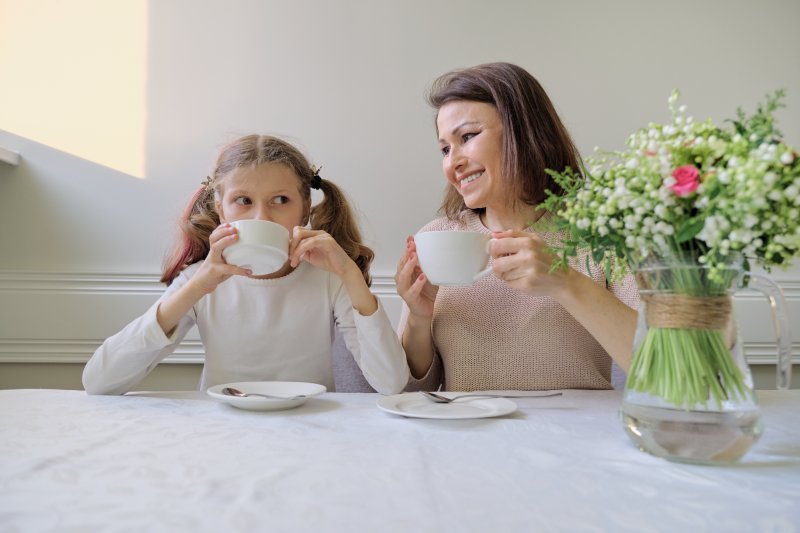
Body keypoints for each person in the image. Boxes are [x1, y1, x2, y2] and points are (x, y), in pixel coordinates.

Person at [84, 134, 409, 395]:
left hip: (310, 433)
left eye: (280, 200)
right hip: (224, 431)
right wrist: (196, 287)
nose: (261, 217)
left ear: (305, 207)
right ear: (221, 210)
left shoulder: (328, 279)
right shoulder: (201, 281)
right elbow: (99, 381)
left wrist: (349, 273)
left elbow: (391, 383)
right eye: (243, 201)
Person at [395, 62, 639, 392]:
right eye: (444, 149)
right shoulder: (436, 240)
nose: (453, 162)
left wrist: (564, 280)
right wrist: (418, 317)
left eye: (467, 137)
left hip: (577, 439)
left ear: (523, 132)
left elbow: (661, 368)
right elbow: (410, 394)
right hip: (466, 437)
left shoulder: (599, 236)